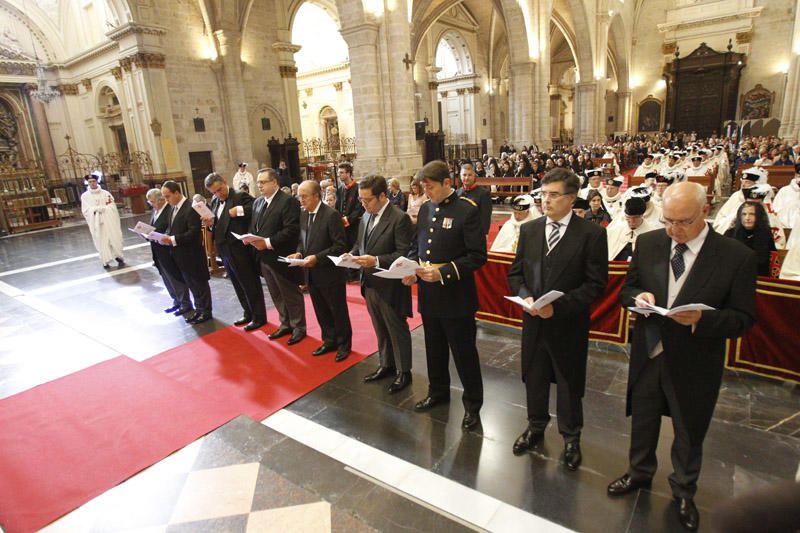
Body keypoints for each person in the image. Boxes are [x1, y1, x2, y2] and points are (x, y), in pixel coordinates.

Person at [608, 182, 757, 532]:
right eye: (667, 220)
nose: (674, 230)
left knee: (689, 427)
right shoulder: (649, 243)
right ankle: (639, 472)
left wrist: (704, 319)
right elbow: (626, 289)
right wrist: (638, 297)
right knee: (643, 418)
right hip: (650, 351)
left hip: (695, 359)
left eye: (683, 222)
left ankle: (684, 490)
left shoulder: (735, 256)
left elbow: (744, 318)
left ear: (705, 212)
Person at [507, 167, 608, 470]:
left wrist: (560, 306)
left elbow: (595, 285)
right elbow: (516, 273)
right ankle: (535, 427)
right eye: (542, 194)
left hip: (568, 326)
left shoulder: (591, 234)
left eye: (553, 195)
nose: (545, 201)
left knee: (568, 383)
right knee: (534, 378)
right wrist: (524, 295)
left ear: (571, 198)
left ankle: (571, 437)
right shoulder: (530, 229)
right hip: (534, 322)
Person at [403, 160, 487, 431]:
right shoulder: (427, 209)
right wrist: (410, 267)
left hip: (456, 295)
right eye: (424, 188)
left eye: (430, 187)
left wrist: (445, 273)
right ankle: (438, 391)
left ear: (447, 183)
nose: (427, 193)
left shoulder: (467, 211)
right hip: (429, 294)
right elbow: (421, 245)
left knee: (464, 353)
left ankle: (473, 405)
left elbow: (477, 256)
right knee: (433, 348)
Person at [347, 175, 414, 392]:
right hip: (369, 282)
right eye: (361, 200)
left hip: (390, 283)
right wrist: (351, 255)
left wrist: (375, 260)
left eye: (368, 200)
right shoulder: (366, 216)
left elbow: (403, 253)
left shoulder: (398, 218)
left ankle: (404, 372)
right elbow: (361, 245)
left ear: (383, 196)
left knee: (396, 328)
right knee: (380, 327)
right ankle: (386, 364)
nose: (363, 204)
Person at [288, 180, 352, 361]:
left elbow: (340, 246)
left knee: (337, 311)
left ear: (317, 195)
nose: (301, 200)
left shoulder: (331, 215)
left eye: (304, 196)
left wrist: (317, 258)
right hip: (311, 273)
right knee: (321, 310)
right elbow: (303, 240)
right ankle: (329, 340)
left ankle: (344, 344)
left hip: (330, 273)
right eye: (299, 196)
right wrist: (299, 253)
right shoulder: (304, 215)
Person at [247, 168, 306, 345]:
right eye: (258, 183)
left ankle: (298, 327)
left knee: (290, 293)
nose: (259, 186)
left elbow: (291, 230)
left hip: (281, 255)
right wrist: (250, 238)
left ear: (274, 182)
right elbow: (254, 226)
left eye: (263, 182)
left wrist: (267, 242)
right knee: (275, 292)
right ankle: (285, 323)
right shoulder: (258, 202)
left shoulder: (287, 201)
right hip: (264, 257)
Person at [203, 172, 266, 331]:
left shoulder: (239, 196)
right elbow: (216, 224)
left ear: (225, 182)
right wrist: (210, 224)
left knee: (249, 282)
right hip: (224, 250)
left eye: (219, 189)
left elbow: (255, 208)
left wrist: (237, 211)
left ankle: (259, 316)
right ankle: (248, 312)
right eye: (214, 192)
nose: (218, 194)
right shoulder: (216, 202)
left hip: (240, 249)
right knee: (237, 283)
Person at [159, 180, 213, 324]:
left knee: (199, 284)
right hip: (180, 255)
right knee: (191, 284)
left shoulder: (191, 207)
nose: (166, 200)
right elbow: (172, 228)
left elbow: (194, 232)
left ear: (177, 193)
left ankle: (206, 312)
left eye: (168, 196)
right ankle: (199, 309)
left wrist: (173, 239)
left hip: (192, 254)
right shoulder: (173, 208)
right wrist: (164, 236)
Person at [145, 188, 192, 316]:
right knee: (166, 277)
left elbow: (169, 229)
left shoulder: (169, 210)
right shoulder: (156, 211)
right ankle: (176, 300)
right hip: (158, 250)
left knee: (174, 276)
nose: (151, 205)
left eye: (152, 202)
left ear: (160, 200)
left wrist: (157, 235)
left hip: (167, 250)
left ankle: (185, 302)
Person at [80, 173, 124, 269]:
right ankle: (105, 260)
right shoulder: (85, 196)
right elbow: (86, 210)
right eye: (90, 182)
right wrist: (96, 210)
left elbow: (112, 207)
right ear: (87, 183)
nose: (92, 183)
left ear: (97, 181)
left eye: (94, 181)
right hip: (97, 222)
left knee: (114, 238)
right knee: (101, 240)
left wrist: (103, 209)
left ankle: (118, 256)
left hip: (109, 221)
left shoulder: (106, 193)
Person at [724, 201, 776, 277]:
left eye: (752, 214)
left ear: (759, 216)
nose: (747, 218)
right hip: (733, 277)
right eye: (744, 214)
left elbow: (771, 264)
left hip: (758, 279)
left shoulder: (766, 235)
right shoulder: (730, 234)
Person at [334, 161, 365, 251]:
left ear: (348, 173)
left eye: (341, 172)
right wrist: (338, 219)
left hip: (355, 225)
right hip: (343, 226)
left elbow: (359, 208)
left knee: (355, 248)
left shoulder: (357, 188)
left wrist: (348, 220)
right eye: (338, 173)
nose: (339, 175)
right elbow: (337, 206)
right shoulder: (340, 189)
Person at [457, 161, 492, 236]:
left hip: (475, 233)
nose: (466, 178)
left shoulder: (483, 194)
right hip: (460, 233)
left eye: (470, 175)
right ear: (460, 176)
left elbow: (485, 218)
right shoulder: (457, 193)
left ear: (474, 176)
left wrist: (484, 235)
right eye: (464, 175)